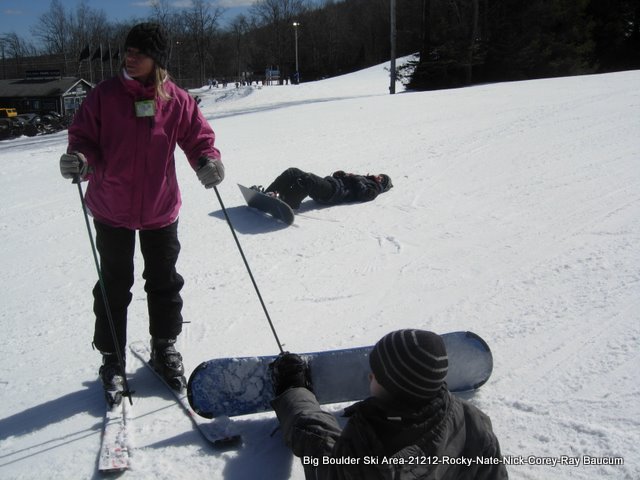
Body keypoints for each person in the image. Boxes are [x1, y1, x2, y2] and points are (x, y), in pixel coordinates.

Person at [59, 23, 225, 401]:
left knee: (164, 280)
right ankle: (112, 358)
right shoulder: (103, 96)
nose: (129, 58)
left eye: (139, 53)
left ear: (157, 60)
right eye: (127, 51)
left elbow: (198, 137)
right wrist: (80, 159)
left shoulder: (176, 100)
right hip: (112, 206)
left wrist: (207, 160)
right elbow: (84, 138)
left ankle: (164, 346)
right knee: (114, 284)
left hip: (159, 208)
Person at [270, 329, 508, 479]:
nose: (370, 377)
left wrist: (294, 392)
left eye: (377, 376)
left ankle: (293, 391)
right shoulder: (471, 418)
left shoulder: (368, 451)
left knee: (314, 435)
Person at [258, 167, 393, 209]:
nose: (379, 177)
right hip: (331, 185)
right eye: (381, 175)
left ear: (382, 185)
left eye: (383, 180)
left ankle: (288, 202)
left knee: (308, 179)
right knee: (293, 172)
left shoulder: (374, 189)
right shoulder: (365, 178)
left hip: (333, 193)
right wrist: (341, 174)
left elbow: (365, 194)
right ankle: (269, 193)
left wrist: (354, 178)